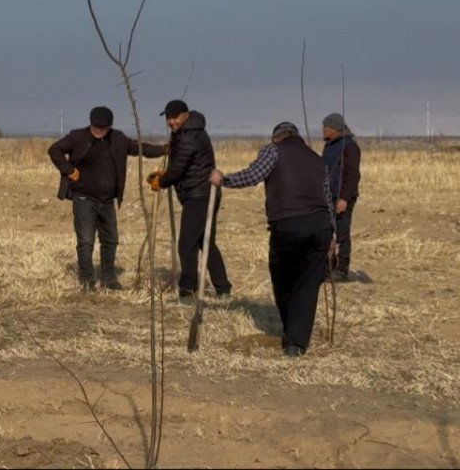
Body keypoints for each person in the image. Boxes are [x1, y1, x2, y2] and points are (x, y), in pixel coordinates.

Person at [209, 122, 334, 357]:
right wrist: (333, 236)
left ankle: (291, 331)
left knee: (283, 278)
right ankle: (296, 343)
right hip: (320, 227)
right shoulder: (317, 159)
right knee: (308, 284)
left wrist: (223, 179)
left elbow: (254, 175)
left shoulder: (273, 150)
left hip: (288, 224)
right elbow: (328, 200)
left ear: (276, 138)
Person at [48, 106, 163, 291]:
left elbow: (140, 148)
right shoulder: (78, 137)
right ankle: (86, 280)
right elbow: (54, 150)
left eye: (103, 127)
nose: (98, 130)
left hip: (107, 200)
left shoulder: (118, 139)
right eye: (95, 126)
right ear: (90, 123)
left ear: (109, 126)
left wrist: (164, 149)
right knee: (86, 240)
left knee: (110, 240)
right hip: (84, 198)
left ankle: (109, 278)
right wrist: (69, 170)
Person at [146, 99, 231, 300]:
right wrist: (165, 174)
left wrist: (161, 181)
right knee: (205, 242)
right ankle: (223, 288)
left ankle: (188, 290)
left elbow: (178, 169)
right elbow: (183, 165)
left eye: (175, 117)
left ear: (185, 114)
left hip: (199, 195)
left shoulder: (188, 136)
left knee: (186, 245)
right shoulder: (187, 132)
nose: (171, 122)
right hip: (201, 193)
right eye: (168, 118)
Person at [321, 113, 361, 281]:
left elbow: (353, 176)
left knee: (342, 234)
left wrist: (344, 198)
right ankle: (328, 268)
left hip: (342, 198)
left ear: (335, 128)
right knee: (326, 233)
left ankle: (342, 270)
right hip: (328, 196)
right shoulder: (329, 145)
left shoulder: (350, 147)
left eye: (326, 127)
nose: (323, 130)